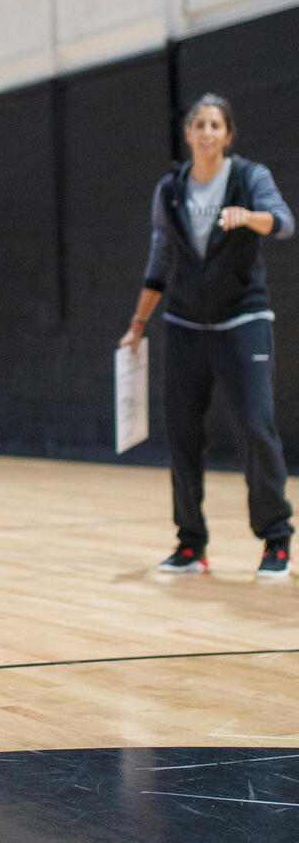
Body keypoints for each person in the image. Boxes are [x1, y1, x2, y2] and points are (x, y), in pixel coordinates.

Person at [119, 93, 294, 579]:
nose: (207, 133)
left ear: (228, 134)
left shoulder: (249, 177)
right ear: (188, 134)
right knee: (182, 435)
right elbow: (160, 261)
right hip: (185, 325)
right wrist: (137, 325)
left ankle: (276, 540)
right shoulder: (170, 190)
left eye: (216, 125)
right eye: (200, 124)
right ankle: (191, 544)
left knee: (255, 427)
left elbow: (283, 222)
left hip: (243, 321)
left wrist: (248, 217)